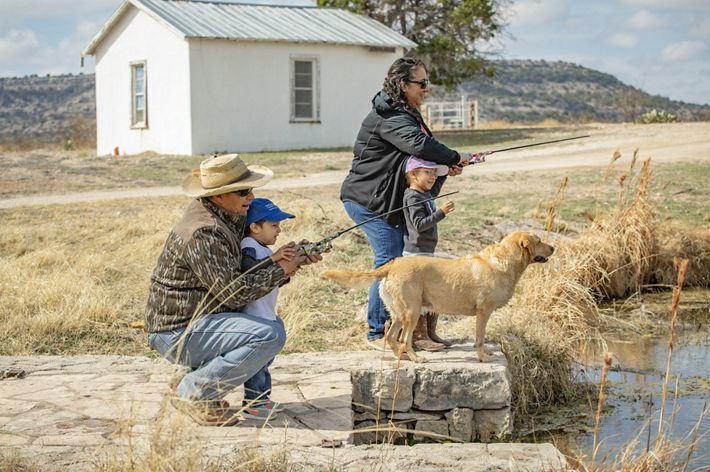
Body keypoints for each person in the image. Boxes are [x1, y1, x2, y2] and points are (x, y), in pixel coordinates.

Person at [145, 154, 320, 426]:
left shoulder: (226, 216)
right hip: (178, 332)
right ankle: (193, 392)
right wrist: (282, 269)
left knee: (269, 326)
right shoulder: (205, 232)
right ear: (218, 196)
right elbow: (235, 292)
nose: (250, 196)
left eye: (251, 189)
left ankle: (194, 379)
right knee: (268, 335)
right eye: (242, 191)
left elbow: (247, 271)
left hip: (199, 323)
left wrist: (292, 261)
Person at [340, 56, 485, 349]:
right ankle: (378, 333)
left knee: (402, 262)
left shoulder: (406, 112)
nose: (426, 89)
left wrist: (445, 168)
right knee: (391, 263)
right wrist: (454, 156)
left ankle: (413, 332)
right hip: (368, 201)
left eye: (427, 83)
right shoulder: (390, 116)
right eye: (421, 83)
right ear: (403, 84)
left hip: (386, 202)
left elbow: (419, 158)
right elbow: (419, 146)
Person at [238, 198, 297, 419]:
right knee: (258, 363)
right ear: (255, 227)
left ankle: (261, 398)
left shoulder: (261, 247)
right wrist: (274, 258)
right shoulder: (249, 246)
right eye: (273, 225)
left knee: (265, 361)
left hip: (267, 314)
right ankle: (254, 403)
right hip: (255, 317)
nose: (279, 230)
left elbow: (272, 278)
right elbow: (248, 273)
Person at [401, 156, 455, 351]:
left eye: (434, 173)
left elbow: (438, 181)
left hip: (425, 251)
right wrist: (441, 212)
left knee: (432, 291)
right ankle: (419, 336)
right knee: (420, 295)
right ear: (413, 174)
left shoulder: (424, 193)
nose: (433, 177)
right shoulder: (412, 196)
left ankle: (430, 333)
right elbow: (420, 225)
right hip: (415, 254)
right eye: (428, 172)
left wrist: (451, 170)